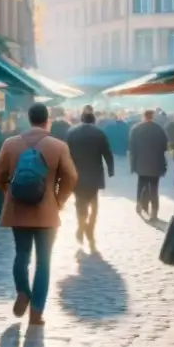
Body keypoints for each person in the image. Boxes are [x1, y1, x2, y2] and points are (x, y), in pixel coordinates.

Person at [0, 103, 78, 325]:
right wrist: (58, 200)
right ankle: (37, 312)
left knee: (21, 254)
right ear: (47, 120)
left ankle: (22, 290)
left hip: (18, 210)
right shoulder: (58, 146)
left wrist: (10, 192)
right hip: (46, 212)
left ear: (29, 119)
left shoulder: (10, 144)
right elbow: (71, 177)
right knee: (44, 261)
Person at [66, 107, 114, 250]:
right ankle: (90, 230)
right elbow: (107, 152)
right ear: (93, 121)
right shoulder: (99, 133)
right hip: (94, 174)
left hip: (76, 174)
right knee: (94, 204)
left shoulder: (71, 132)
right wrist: (110, 169)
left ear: (81, 120)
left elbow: (65, 152)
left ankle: (81, 226)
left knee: (80, 202)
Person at [129, 109, 169, 220]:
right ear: (153, 116)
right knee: (154, 188)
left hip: (140, 163)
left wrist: (133, 164)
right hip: (156, 163)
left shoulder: (136, 129)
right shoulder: (159, 129)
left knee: (141, 185)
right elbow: (165, 147)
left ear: (143, 116)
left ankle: (139, 205)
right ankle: (154, 211)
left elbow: (132, 148)